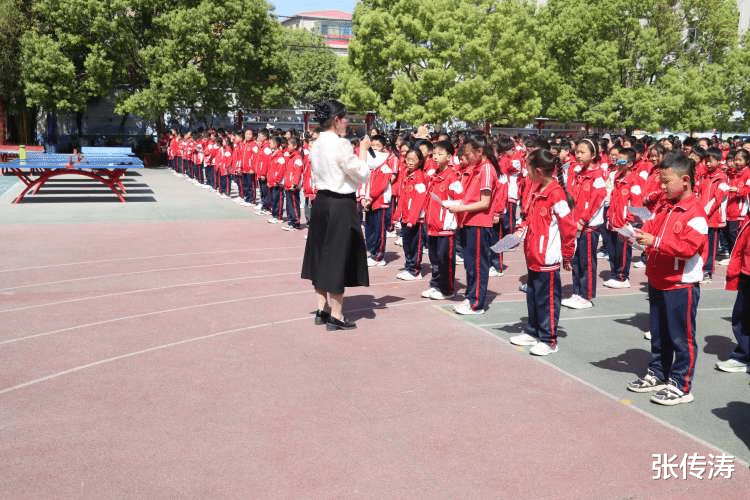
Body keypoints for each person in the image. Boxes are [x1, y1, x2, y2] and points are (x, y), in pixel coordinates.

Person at [628, 152, 707, 405]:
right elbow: (651, 229)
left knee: (681, 337)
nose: (662, 187)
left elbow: (688, 248)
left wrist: (655, 241)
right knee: (659, 333)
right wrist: (638, 236)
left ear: (685, 180)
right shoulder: (664, 205)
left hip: (680, 283)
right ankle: (658, 372)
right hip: (658, 278)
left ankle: (681, 384)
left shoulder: (695, 213)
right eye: (660, 182)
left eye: (666, 182)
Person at [301, 100, 371, 331]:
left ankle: (322, 309)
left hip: (322, 202)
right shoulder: (341, 144)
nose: (347, 122)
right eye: (344, 118)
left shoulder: (316, 143)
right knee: (338, 257)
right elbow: (360, 174)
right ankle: (337, 315)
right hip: (340, 204)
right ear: (336, 120)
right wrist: (363, 151)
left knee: (320, 255)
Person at [509, 149, 577, 355]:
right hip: (533, 255)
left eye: (528, 168)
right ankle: (533, 331)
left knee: (547, 299)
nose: (526, 172)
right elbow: (529, 218)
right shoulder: (537, 189)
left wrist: (567, 254)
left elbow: (569, 227)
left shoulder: (556, 194)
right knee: (532, 295)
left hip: (547, 257)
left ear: (538, 171)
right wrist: (519, 231)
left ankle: (549, 339)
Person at [447, 139, 498, 315]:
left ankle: (476, 303)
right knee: (470, 264)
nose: (466, 157)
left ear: (479, 151)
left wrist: (460, 208)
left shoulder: (486, 169)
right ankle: (470, 297)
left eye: (468, 154)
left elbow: (485, 203)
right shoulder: (475, 168)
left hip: (479, 223)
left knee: (477, 265)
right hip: (468, 221)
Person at [562, 138, 607, 309]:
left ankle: (586, 295)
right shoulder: (578, 173)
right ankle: (577, 292)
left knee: (587, 261)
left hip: (588, 227)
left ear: (593, 155)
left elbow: (597, 200)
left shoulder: (597, 176)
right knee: (576, 260)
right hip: (576, 224)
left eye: (583, 152)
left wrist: (583, 220)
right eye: (577, 152)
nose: (578, 155)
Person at [422, 140, 462, 300]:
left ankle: (447, 289)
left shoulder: (452, 177)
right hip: (432, 225)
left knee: (445, 259)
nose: (436, 157)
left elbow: (459, 200)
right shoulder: (434, 176)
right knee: (435, 259)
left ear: (449, 156)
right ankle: (435, 285)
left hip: (445, 226)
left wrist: (448, 207)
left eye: (440, 154)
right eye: (435, 154)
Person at [715, 212, 750, 372]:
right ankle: (743, 356)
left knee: (743, 318)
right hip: (746, 272)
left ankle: (743, 357)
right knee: (742, 318)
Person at [396, 147, 428, 280]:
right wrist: (398, 215)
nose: (409, 162)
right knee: (407, 244)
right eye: (408, 159)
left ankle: (415, 270)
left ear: (419, 161)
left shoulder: (419, 177)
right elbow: (402, 197)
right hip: (405, 216)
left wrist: (412, 218)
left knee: (415, 244)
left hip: (415, 219)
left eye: (413, 160)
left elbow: (420, 199)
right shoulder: (406, 174)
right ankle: (409, 266)